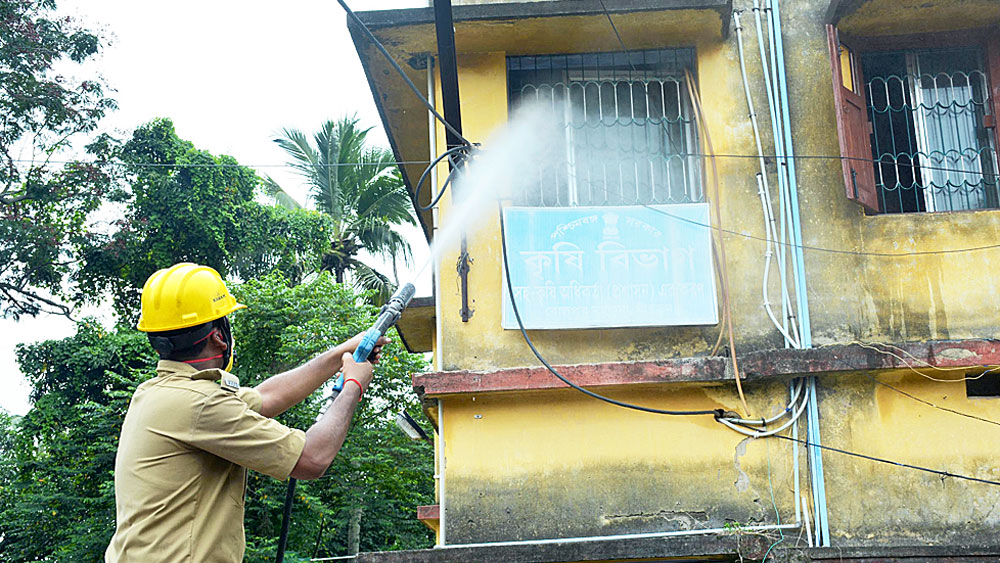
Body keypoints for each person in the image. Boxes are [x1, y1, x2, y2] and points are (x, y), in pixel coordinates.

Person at [104, 262, 386, 563]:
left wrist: (343, 353)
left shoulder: (157, 393)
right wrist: (353, 385)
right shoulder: (201, 404)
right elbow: (313, 458)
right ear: (219, 336)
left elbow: (267, 396)